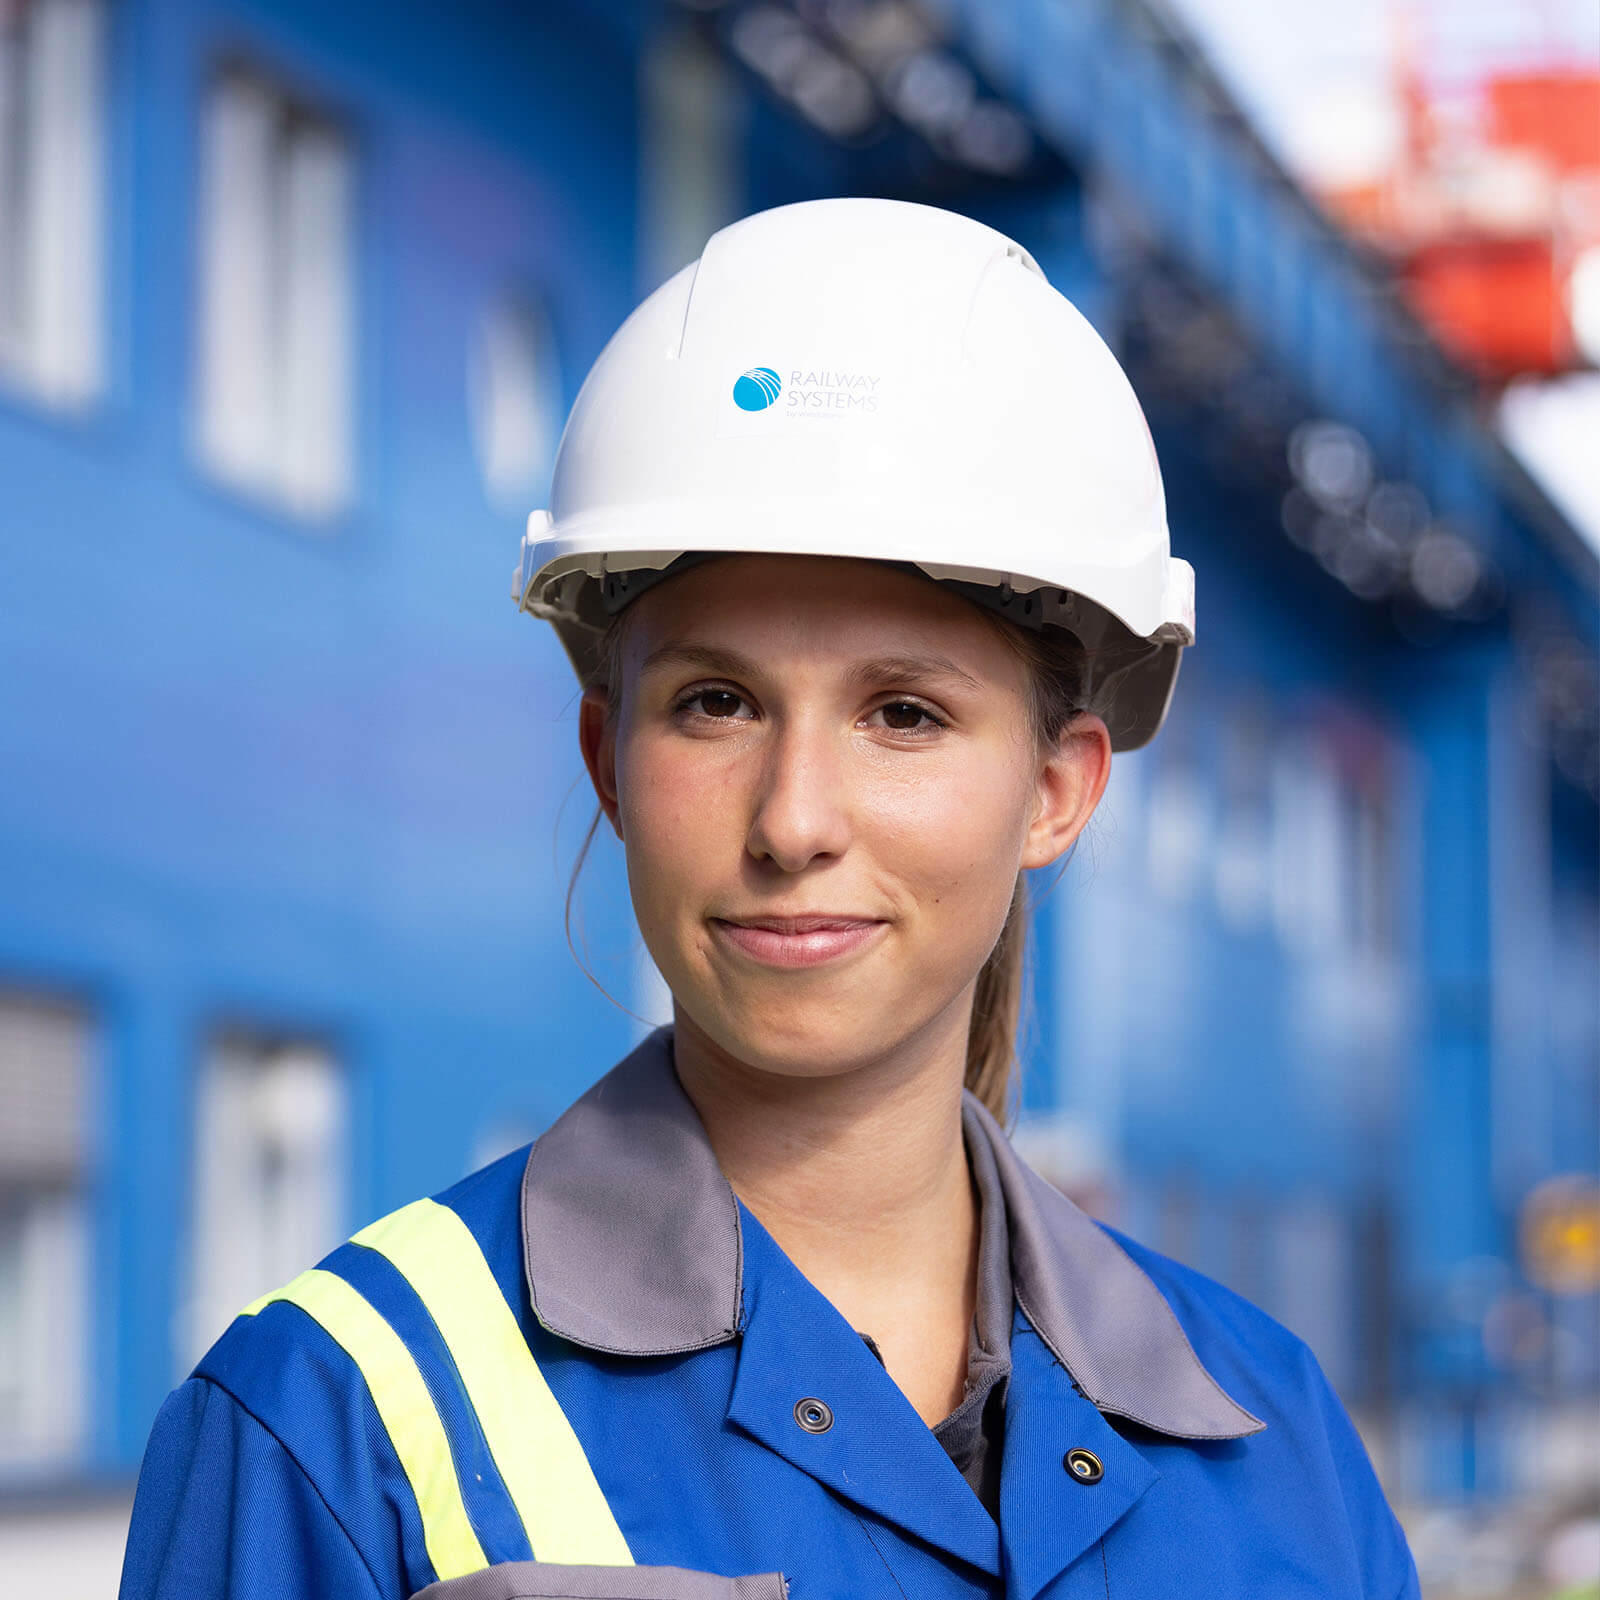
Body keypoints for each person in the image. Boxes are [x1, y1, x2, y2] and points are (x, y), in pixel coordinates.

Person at [119, 197, 1422, 1599]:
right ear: (608, 759)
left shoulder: (1272, 1443)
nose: (794, 820)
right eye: (716, 703)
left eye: (905, 714)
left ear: (1057, 791)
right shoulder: (334, 1418)